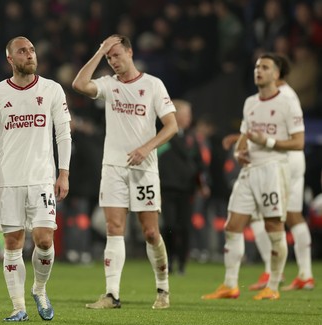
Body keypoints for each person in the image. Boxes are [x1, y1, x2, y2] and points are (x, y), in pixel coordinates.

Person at [72, 34, 178, 310]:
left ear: (130, 52)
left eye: (117, 54)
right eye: (109, 57)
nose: (113, 61)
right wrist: (99, 51)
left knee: (151, 233)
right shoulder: (108, 85)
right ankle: (111, 295)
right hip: (113, 167)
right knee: (113, 228)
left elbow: (171, 126)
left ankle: (163, 289)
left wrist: (146, 147)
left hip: (144, 168)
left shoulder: (153, 85)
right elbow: (79, 84)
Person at [0, 36, 71, 322]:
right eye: (22, 51)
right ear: (10, 59)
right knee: (13, 243)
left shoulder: (52, 89)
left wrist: (64, 172)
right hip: (8, 180)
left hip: (42, 178)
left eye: (31, 50)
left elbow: (63, 134)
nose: (29, 54)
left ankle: (39, 289)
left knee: (44, 241)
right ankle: (18, 307)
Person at [202, 53, 304, 301]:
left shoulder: (288, 102)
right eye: (257, 66)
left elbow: (298, 142)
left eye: (265, 67)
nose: (259, 70)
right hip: (249, 172)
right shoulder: (250, 103)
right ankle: (230, 285)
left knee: (273, 227)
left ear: (276, 74)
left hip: (273, 169)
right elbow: (246, 135)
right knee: (232, 225)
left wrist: (266, 141)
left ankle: (274, 285)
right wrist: (239, 151)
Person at [158, 99, 209, 275]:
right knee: (170, 225)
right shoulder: (162, 134)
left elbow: (199, 164)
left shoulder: (191, 138)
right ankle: (169, 259)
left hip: (187, 189)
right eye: (186, 114)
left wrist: (202, 184)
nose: (189, 118)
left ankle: (182, 262)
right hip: (168, 187)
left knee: (185, 226)